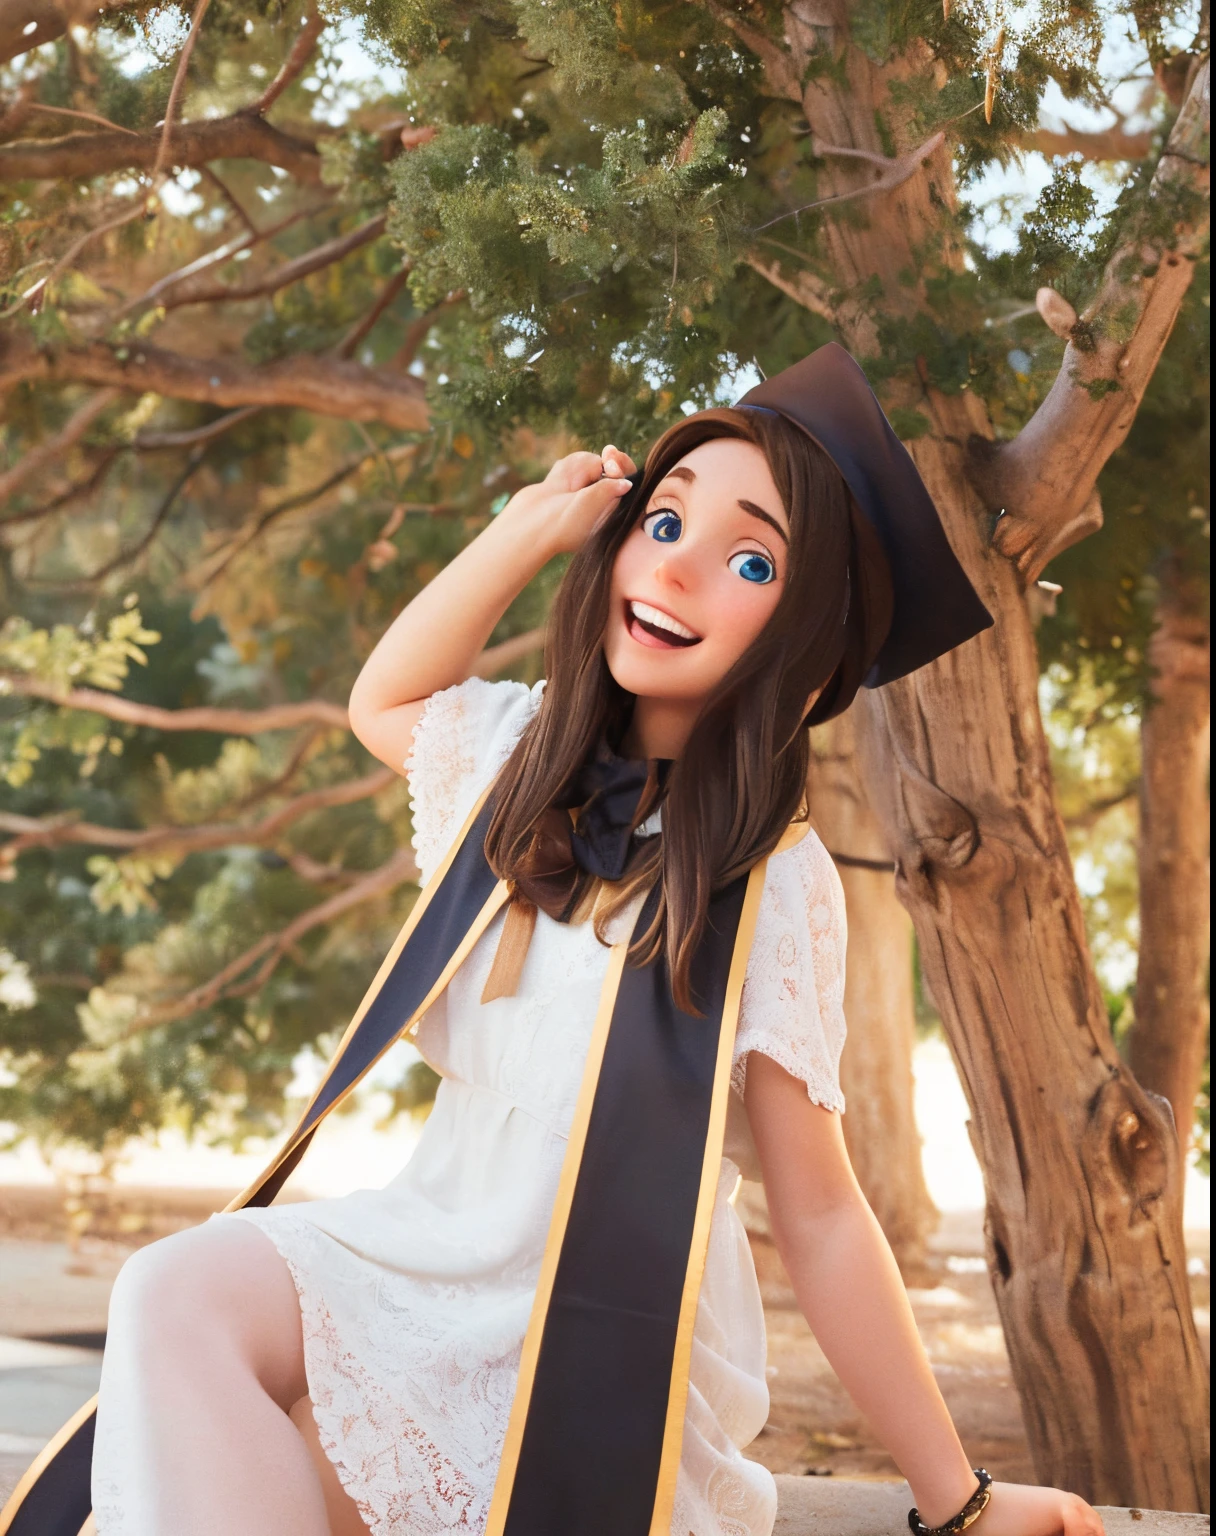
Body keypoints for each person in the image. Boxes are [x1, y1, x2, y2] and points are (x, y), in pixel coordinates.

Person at [80, 347, 1105, 1536]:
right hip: (417, 1252)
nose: (674, 566)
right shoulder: (518, 764)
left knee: (260, 1459)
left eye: (751, 560)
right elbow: (385, 701)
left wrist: (959, 1499)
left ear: (808, 638)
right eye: (662, 521)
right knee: (171, 1289)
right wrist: (526, 531)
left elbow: (821, 1213)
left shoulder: (773, 885)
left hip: (589, 1325)